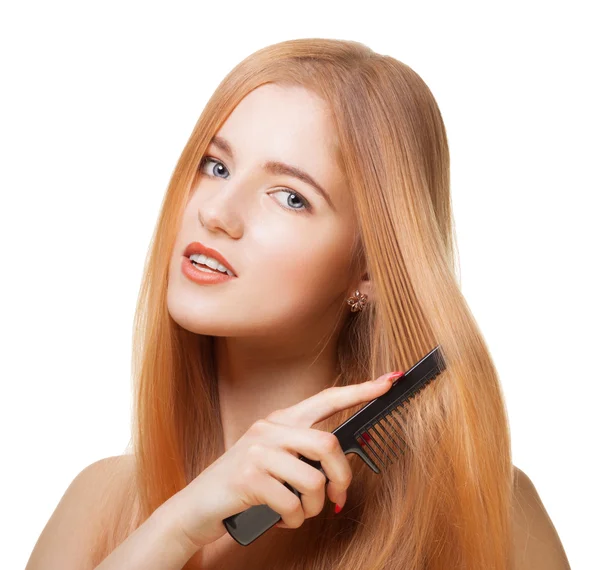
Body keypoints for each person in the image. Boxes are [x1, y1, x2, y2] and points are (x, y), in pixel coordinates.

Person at [25, 38, 571, 570]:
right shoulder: (98, 503)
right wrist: (177, 527)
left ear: (370, 269)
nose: (218, 212)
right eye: (216, 166)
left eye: (290, 197)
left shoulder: (485, 510)